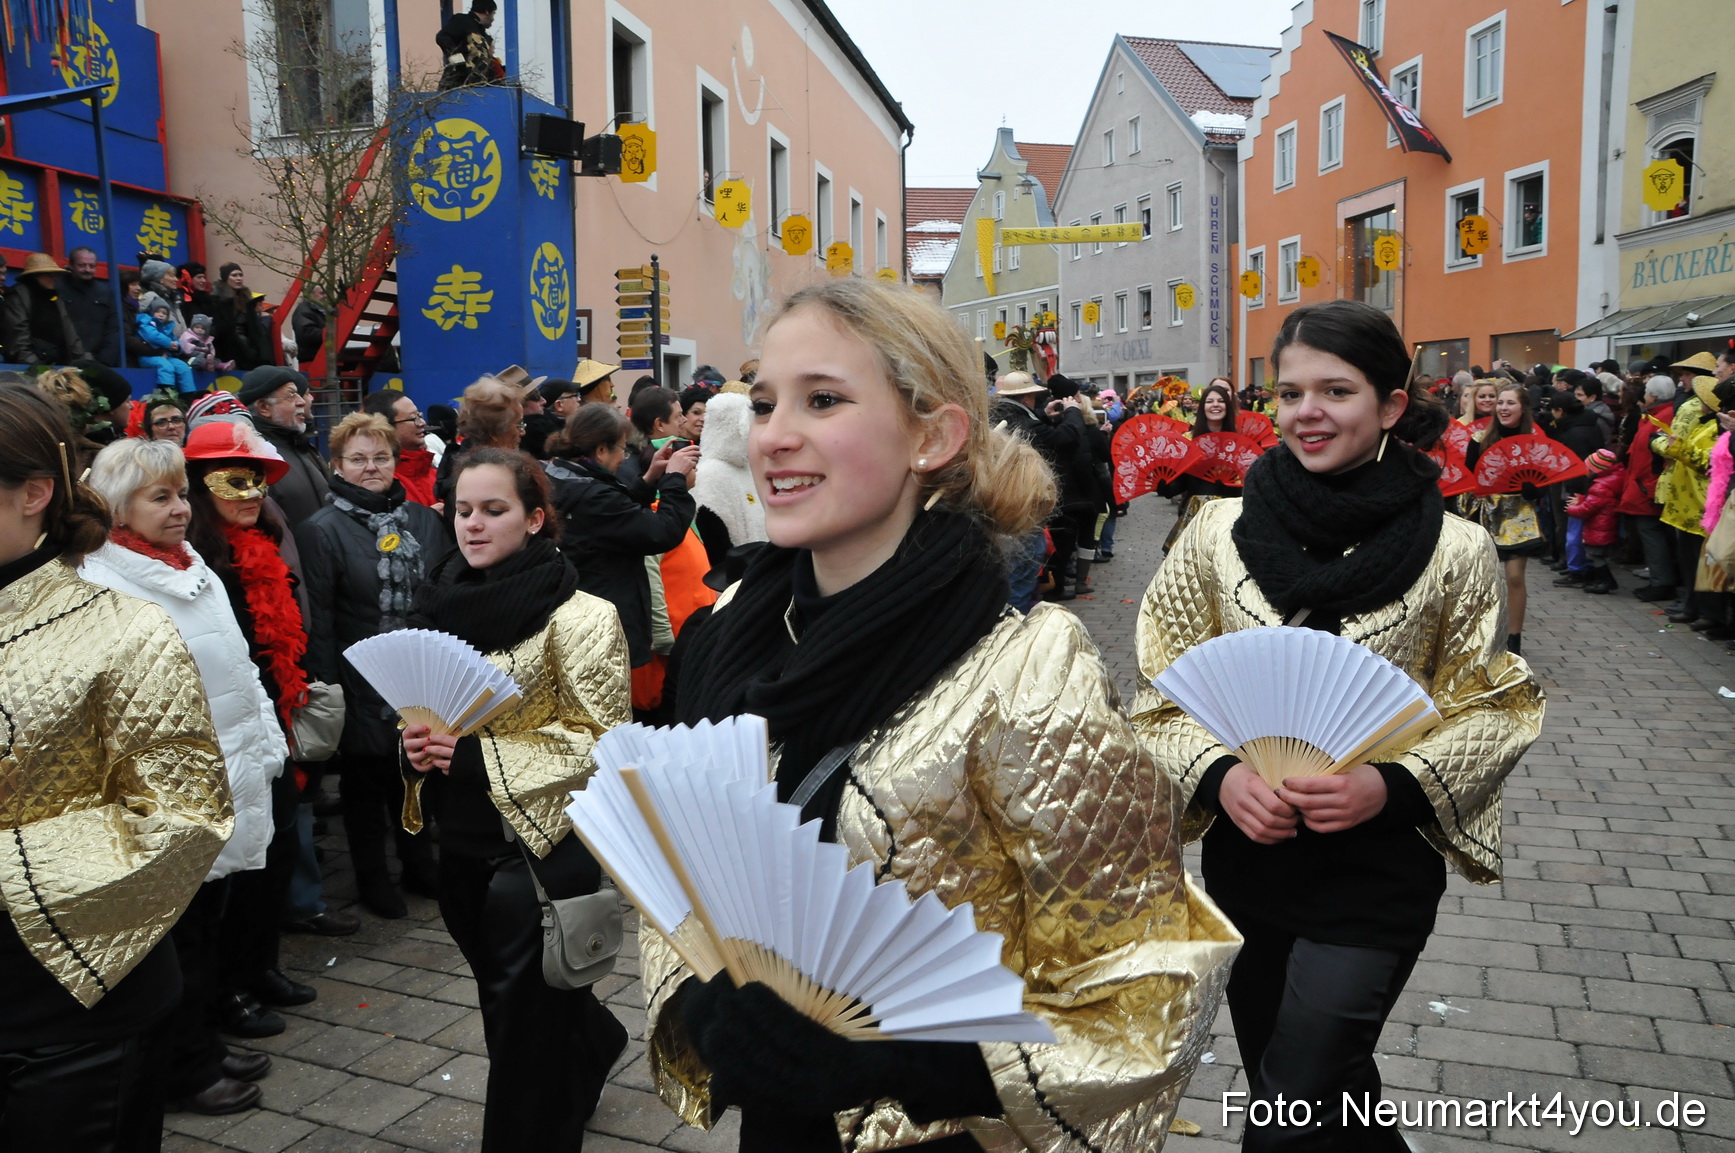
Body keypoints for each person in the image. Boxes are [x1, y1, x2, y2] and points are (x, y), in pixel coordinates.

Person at [653, 278, 1237, 1151]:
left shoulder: (1029, 668)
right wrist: (702, 1000)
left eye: (822, 399)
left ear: (933, 435)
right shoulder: (729, 628)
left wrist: (913, 1063)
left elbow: (1142, 987)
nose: (774, 434)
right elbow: (673, 864)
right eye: (764, 401)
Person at [1133, 299, 1543, 1152]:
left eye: (1335, 390)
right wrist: (1221, 777)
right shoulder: (1213, 534)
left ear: (1391, 405)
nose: (1305, 412)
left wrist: (1386, 785)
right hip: (1252, 859)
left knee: (1290, 1101)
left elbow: (1495, 706)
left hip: (1376, 869)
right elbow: (1157, 699)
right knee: (1321, 1090)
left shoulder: (1456, 549)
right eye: (1287, 393)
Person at [0, 382, 231, 1150]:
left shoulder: (123, 629)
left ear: (34, 493)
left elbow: (184, 815)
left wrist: (12, 864)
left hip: (72, 1009)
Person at [400, 448, 631, 1152]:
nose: (473, 524)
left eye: (493, 509)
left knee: (519, 1037)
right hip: (459, 845)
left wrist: (473, 756)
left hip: (537, 854)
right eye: (462, 509)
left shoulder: (582, 616)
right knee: (522, 1006)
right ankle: (591, 1038)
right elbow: (418, 711)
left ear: (534, 518)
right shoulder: (437, 605)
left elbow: (603, 741)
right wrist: (410, 746)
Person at [81, 438, 286, 1116]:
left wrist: (265, 739)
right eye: (159, 497)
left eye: (179, 494)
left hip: (228, 769)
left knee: (207, 927)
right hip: (174, 794)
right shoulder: (105, 583)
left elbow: (238, 662)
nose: (178, 509)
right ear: (118, 507)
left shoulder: (189, 561)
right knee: (177, 939)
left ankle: (199, 1042)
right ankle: (183, 1067)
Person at [184, 421, 346, 1038]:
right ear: (200, 488)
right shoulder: (196, 566)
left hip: (273, 722)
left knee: (277, 848)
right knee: (239, 864)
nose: (251, 493)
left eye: (258, 481)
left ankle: (260, 969)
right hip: (229, 733)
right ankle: (228, 989)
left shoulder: (264, 544)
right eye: (233, 480)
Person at [297, 413, 449, 918]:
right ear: (337, 466)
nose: (371, 468)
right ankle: (372, 878)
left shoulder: (424, 519)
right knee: (365, 786)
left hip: (419, 677)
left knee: (417, 773)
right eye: (358, 459)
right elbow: (318, 617)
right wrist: (328, 690)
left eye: (380, 457)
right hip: (359, 680)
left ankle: (420, 864)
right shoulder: (322, 530)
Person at [543, 403, 699, 669]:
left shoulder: (561, 476)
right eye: (622, 450)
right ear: (601, 450)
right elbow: (661, 533)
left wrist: (649, 479)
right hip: (603, 622)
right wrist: (674, 479)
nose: (623, 459)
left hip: (580, 617)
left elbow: (615, 519)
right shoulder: (594, 497)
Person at [1462, 382, 1548, 654]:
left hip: (1518, 516)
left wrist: (1534, 489)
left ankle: (1514, 638)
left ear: (1523, 408)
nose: (1503, 407)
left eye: (1510, 403)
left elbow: (1545, 481)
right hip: (1485, 513)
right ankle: (1480, 633)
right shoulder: (1479, 440)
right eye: (1501, 402)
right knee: (1483, 579)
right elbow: (1468, 480)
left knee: (1514, 576)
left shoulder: (1534, 442)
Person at [1654, 351, 1727, 631]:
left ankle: (1707, 612)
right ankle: (1694, 606)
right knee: (1689, 560)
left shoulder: (1714, 428)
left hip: (1700, 504)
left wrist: (1665, 444)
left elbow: (1703, 460)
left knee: (1703, 562)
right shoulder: (1705, 423)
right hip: (1686, 502)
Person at [989, 371, 1075, 609]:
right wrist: (1073, 413)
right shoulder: (1023, 424)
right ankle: (1015, 628)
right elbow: (1062, 439)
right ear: (1027, 398)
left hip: (1008, 505)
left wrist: (1043, 415)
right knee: (1021, 577)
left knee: (1018, 573)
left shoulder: (1004, 415)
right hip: (1021, 503)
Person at [240, 365, 330, 528]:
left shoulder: (301, 446)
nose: (302, 401)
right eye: (291, 396)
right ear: (264, 408)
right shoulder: (256, 458)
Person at [1160, 380, 1245, 553]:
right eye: (1210, 401)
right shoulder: (1189, 440)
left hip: (1230, 516)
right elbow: (1180, 483)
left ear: (1228, 406)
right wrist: (1163, 484)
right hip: (1197, 515)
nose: (1216, 405)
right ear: (1202, 407)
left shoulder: (1241, 441)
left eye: (1221, 401)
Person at [689, 390, 766, 573]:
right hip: (733, 576)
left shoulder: (747, 467)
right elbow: (712, 533)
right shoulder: (709, 474)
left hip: (759, 571)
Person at [435, 376, 524, 509]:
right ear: (495, 433)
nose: (522, 432)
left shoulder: (455, 464)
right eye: (519, 424)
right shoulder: (490, 476)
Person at [1, 253, 89, 367]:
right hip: (30, 370)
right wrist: (39, 369)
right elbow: (17, 340)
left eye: (55, 274)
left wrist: (83, 364)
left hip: (60, 367)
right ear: (35, 275)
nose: (54, 278)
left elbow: (70, 334)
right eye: (49, 274)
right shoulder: (18, 296)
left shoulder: (55, 298)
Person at [362, 389, 438, 506]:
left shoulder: (434, 473)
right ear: (387, 427)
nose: (422, 423)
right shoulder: (378, 482)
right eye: (413, 418)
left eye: (419, 416)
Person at [1567, 448, 1628, 595]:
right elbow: (1594, 504)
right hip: (1604, 526)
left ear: (1596, 470)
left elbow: (1587, 509)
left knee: (1595, 556)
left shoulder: (1600, 487)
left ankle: (1606, 582)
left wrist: (1572, 508)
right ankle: (1604, 581)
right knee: (1596, 555)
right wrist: (1582, 500)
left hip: (1599, 528)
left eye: (1587, 467)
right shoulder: (1609, 482)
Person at [60, 246, 122, 368]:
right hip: (64, 361)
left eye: (91, 266)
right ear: (71, 265)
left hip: (97, 361)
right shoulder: (58, 288)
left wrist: (105, 361)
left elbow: (113, 329)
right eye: (82, 265)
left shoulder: (105, 292)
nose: (87, 269)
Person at [212, 264, 274, 371]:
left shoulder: (247, 301)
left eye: (240, 275)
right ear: (226, 278)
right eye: (234, 275)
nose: (238, 278)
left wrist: (264, 356)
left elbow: (256, 330)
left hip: (249, 348)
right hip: (227, 350)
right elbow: (221, 328)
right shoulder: (218, 300)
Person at [136, 294, 197, 393]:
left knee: (183, 367)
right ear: (151, 312)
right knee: (165, 365)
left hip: (166, 356)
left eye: (164, 313)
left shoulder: (167, 328)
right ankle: (167, 392)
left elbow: (175, 340)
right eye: (157, 311)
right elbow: (152, 336)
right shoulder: (146, 323)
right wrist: (169, 343)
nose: (161, 315)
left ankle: (189, 395)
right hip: (147, 356)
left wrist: (177, 347)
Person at [437, 0, 500, 89]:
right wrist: (456, 59)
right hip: (456, 85)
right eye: (493, 13)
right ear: (487, 11)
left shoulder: (483, 35)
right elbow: (442, 37)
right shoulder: (463, 21)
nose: (493, 19)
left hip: (479, 88)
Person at [290, 284, 328, 366]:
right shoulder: (303, 311)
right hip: (312, 359)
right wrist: (329, 333)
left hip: (319, 357)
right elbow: (306, 333)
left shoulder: (321, 310)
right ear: (311, 295)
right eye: (322, 293)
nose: (325, 296)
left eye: (326, 293)